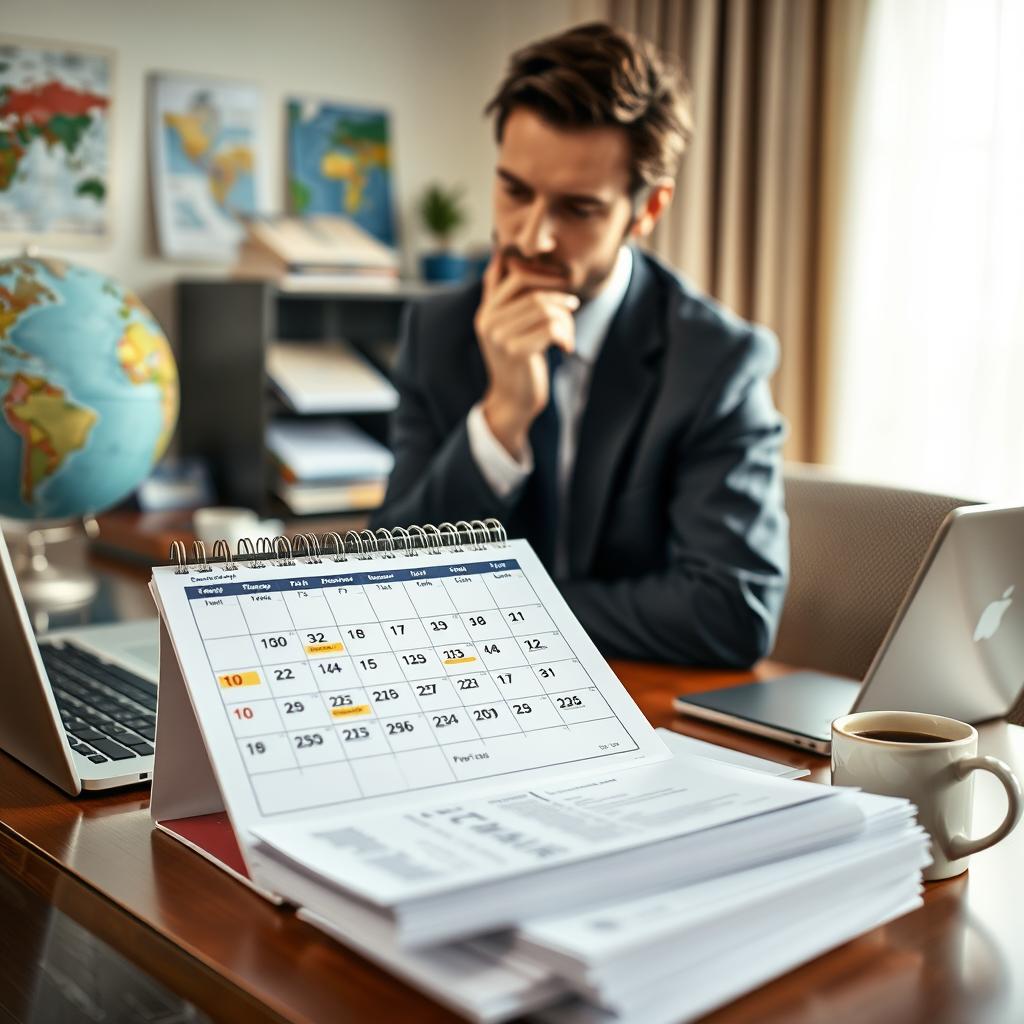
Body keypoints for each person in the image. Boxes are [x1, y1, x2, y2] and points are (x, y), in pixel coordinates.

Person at [373, 22, 788, 667]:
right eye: (515, 191)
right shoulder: (438, 333)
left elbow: (733, 611)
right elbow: (390, 577)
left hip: (644, 710)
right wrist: (501, 417)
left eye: (578, 209)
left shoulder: (716, 363)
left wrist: (500, 606)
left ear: (647, 211)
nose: (532, 236)